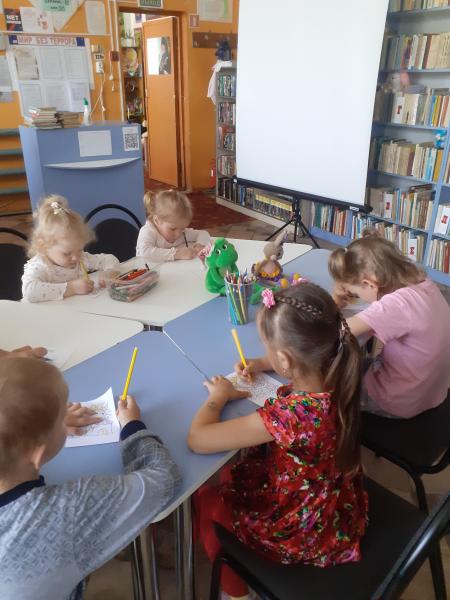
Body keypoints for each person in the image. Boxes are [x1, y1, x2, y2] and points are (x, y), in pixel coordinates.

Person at [188, 282, 367, 600]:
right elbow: (302, 356)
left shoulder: (293, 415)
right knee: (233, 472)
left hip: (300, 528)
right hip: (334, 499)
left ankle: (237, 595)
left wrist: (218, 396)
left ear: (285, 360)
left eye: (266, 347)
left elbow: (198, 439)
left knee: (206, 499)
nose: (265, 352)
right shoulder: (340, 368)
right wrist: (261, 362)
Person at [0, 357, 180, 600]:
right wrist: (132, 425)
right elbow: (163, 478)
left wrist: (40, 426)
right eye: (61, 415)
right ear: (38, 453)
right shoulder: (69, 509)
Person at [329, 230, 450, 418]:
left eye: (355, 293)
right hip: (431, 390)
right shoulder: (422, 281)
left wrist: (335, 300)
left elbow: (333, 332)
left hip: (400, 400)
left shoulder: (394, 306)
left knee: (330, 387)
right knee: (356, 363)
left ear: (370, 284)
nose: (355, 296)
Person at [22, 195, 119, 302]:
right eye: (66, 253)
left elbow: (110, 259)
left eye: (79, 250)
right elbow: (29, 291)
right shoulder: (41, 266)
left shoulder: (82, 258)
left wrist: (108, 273)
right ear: (44, 247)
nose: (75, 258)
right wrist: (72, 288)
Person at [136, 190, 210, 262]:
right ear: (157, 220)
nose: (178, 234)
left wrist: (199, 244)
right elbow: (145, 252)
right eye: (173, 229)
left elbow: (203, 233)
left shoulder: (180, 231)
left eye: (182, 228)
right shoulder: (148, 231)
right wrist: (176, 254)